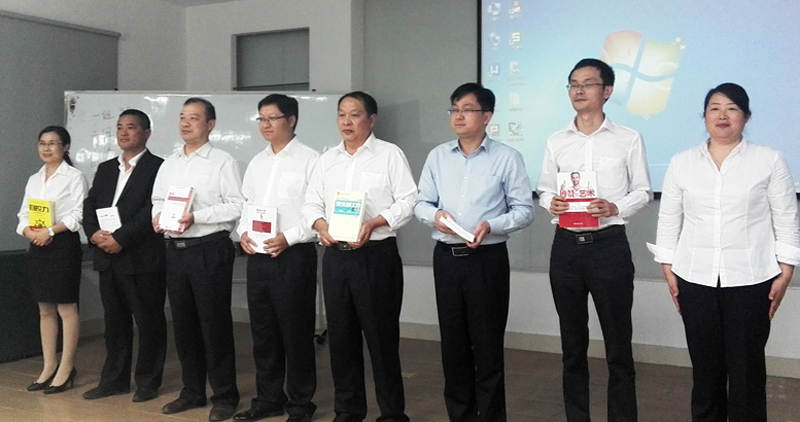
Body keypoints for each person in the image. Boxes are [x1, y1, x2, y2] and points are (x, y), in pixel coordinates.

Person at [647, 83, 799, 421]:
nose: (722, 115)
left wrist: (786, 269)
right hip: (695, 278)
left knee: (747, 371)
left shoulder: (769, 160)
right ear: (704, 116)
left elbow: (786, 216)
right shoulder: (682, 162)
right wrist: (668, 266)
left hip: (751, 279)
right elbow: (669, 218)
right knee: (705, 371)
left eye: (732, 108)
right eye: (714, 108)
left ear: (746, 116)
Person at [537, 58, 652, 422]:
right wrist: (550, 202)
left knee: (618, 345)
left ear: (607, 91)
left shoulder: (628, 138)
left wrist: (615, 207)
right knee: (572, 345)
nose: (579, 90)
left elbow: (643, 191)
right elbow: (544, 188)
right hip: (566, 247)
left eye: (587, 83)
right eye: (573, 84)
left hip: (608, 245)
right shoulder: (556, 140)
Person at [414, 83, 534, 421]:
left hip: (487, 261)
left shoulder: (507, 157)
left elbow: (524, 211)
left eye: (467, 109)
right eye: (454, 109)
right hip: (446, 259)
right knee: (452, 345)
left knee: (487, 345)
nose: (458, 115)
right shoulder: (438, 156)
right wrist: (434, 216)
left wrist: (491, 225)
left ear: (487, 116)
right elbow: (420, 203)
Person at [302, 91, 417, 422]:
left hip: (376, 255)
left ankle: (392, 414)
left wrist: (375, 222)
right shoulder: (327, 159)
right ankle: (348, 411)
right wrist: (321, 225)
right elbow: (311, 202)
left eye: (354, 115)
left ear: (371, 119)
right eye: (341, 114)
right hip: (336, 257)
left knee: (381, 339)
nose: (346, 122)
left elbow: (409, 200)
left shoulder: (389, 155)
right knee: (341, 338)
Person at [151, 97, 244, 421]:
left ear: (210, 124)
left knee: (213, 323)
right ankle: (192, 391)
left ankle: (225, 395)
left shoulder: (222, 161)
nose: (185, 123)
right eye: (182, 117)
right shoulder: (169, 163)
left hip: (209, 248)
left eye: (193, 118)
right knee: (184, 324)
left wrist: (197, 217)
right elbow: (157, 199)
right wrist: (157, 216)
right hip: (175, 250)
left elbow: (236, 205)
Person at [233, 94, 319, 422]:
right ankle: (268, 399)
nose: (265, 125)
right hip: (259, 255)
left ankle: (300, 404)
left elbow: (317, 211)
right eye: (261, 119)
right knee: (264, 332)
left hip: (294, 254)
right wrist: (243, 232)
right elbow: (247, 205)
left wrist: (289, 237)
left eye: (272, 118)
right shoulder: (257, 162)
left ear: (291, 120)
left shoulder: (311, 160)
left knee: (296, 332)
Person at [81, 109, 166, 402]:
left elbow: (151, 210)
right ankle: (114, 380)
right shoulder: (106, 168)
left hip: (142, 258)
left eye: (131, 127)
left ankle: (147, 382)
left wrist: (121, 238)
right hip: (108, 257)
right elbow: (90, 204)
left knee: (149, 321)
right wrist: (93, 233)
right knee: (115, 323)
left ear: (146, 133)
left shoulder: (159, 167)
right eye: (119, 127)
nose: (123, 132)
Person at [16, 125, 87, 394]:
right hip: (37, 245)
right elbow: (23, 214)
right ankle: (48, 367)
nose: (46, 148)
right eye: (42, 143)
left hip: (63, 245)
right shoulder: (34, 178)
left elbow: (78, 214)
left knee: (66, 308)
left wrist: (50, 231)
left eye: (53, 143)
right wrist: (29, 232)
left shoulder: (74, 177)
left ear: (65, 147)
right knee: (44, 309)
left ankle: (66, 369)